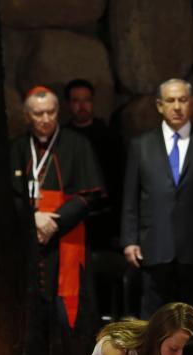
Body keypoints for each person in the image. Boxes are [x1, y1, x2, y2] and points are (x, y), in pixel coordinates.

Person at [10, 86, 108, 355]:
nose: (45, 119)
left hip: (67, 244)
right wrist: (31, 219)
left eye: (51, 112)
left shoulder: (77, 145)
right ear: (27, 116)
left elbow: (92, 196)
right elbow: (7, 197)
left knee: (71, 330)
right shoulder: (17, 149)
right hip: (28, 249)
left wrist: (56, 221)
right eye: (38, 114)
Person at [121, 78, 193, 319]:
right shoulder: (141, 145)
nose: (177, 106)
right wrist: (130, 239)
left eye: (182, 100)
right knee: (154, 319)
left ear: (192, 103)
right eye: (170, 100)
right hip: (154, 246)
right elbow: (131, 197)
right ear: (159, 106)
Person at [63, 78, 124, 250]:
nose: (82, 106)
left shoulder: (110, 138)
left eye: (86, 100)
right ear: (68, 104)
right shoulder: (61, 140)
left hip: (106, 218)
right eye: (76, 101)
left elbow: (121, 181)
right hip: (73, 218)